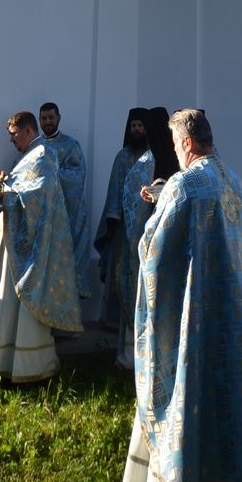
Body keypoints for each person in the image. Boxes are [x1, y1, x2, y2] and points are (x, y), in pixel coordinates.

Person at [122, 108, 242, 482]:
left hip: (191, 316)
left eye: (174, 144)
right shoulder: (235, 182)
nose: (173, 151)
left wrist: (158, 207)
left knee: (185, 393)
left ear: (186, 143)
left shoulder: (184, 185)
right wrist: (165, 195)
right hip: (230, 314)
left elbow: (154, 249)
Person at [0, 111, 83, 382]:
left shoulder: (43, 154)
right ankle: (5, 362)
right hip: (14, 246)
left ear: (28, 130)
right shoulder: (28, 157)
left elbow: (39, 194)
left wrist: (5, 194)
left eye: (13, 134)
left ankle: (29, 365)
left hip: (28, 248)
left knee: (21, 310)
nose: (11, 140)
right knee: (8, 307)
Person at [117, 107, 179, 368]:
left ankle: (135, 357)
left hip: (142, 240)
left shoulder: (149, 161)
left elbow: (133, 199)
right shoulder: (175, 160)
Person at [95, 108, 149, 329]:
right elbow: (115, 187)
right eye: (133, 126)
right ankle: (114, 321)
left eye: (140, 126)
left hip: (145, 225)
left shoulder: (152, 155)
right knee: (119, 271)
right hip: (124, 225)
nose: (136, 129)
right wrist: (113, 217)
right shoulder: (122, 156)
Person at [36, 101, 95, 308]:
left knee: (65, 270)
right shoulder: (35, 147)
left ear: (59, 118)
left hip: (67, 219)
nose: (48, 121)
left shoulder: (71, 145)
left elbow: (77, 177)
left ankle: (66, 327)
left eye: (51, 117)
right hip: (41, 222)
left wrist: (46, 179)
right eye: (44, 118)